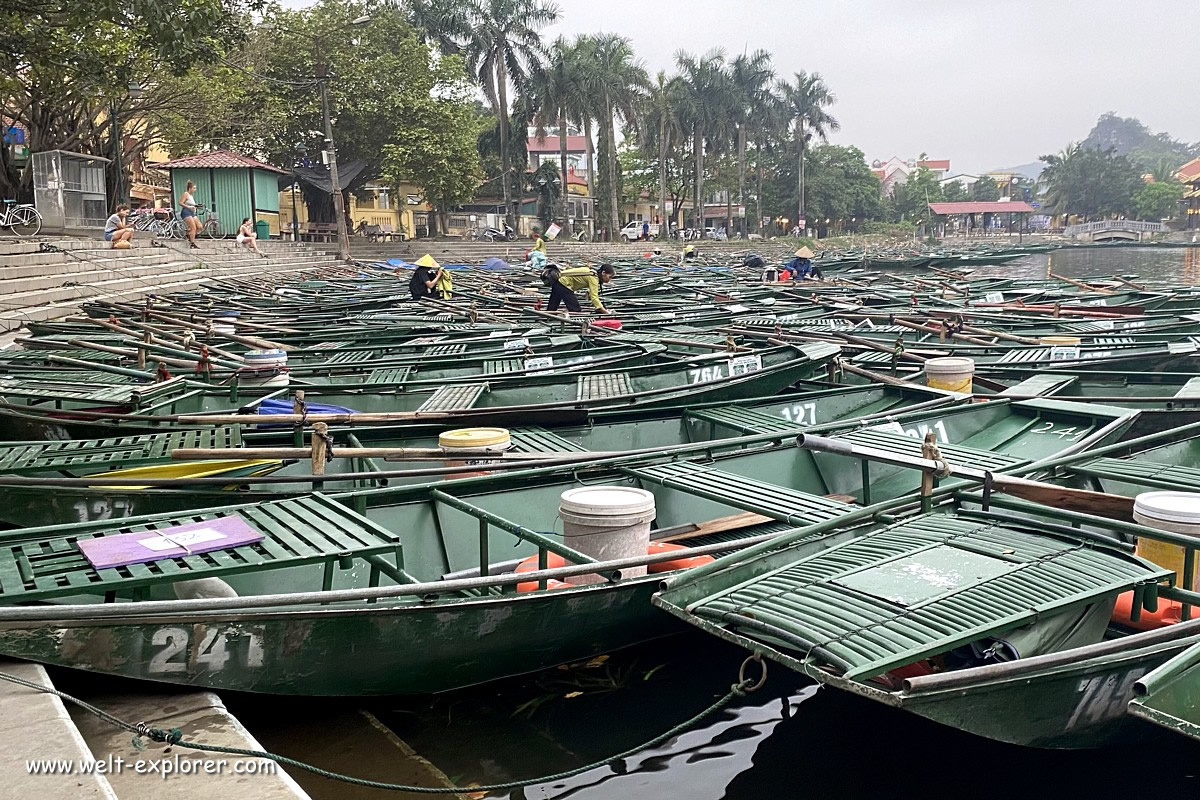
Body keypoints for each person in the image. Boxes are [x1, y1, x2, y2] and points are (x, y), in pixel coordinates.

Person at [548, 264, 615, 313]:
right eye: (610, 277)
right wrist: (605, 311)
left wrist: (588, 292)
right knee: (576, 310)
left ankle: (547, 318)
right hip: (564, 284)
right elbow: (594, 298)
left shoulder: (592, 273)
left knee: (552, 308)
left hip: (558, 281)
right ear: (603, 273)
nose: (610, 280)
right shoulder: (594, 278)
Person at [179, 180, 200, 249]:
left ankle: (189, 235)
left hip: (192, 212)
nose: (195, 190)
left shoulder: (191, 196)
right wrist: (189, 207)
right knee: (193, 228)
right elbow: (180, 203)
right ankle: (192, 243)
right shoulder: (186, 194)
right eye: (194, 188)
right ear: (190, 188)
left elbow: (192, 204)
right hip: (186, 212)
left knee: (199, 227)